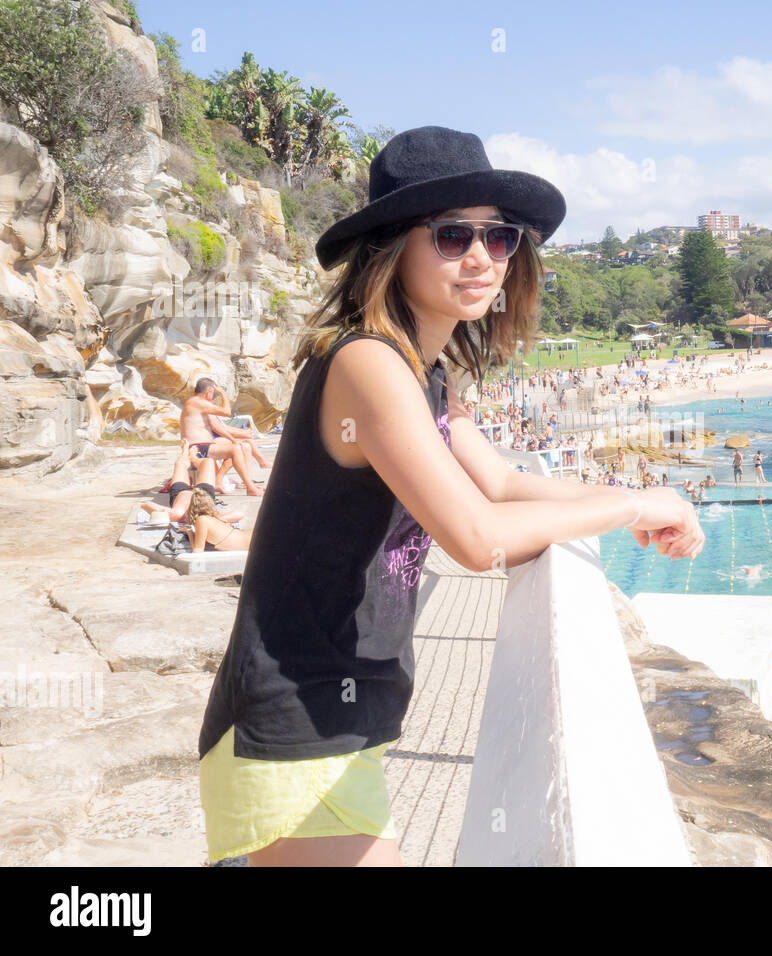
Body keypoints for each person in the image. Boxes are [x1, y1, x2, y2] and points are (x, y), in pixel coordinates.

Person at [196, 127, 704, 868]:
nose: (481, 256)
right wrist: (633, 507)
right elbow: (476, 536)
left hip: (339, 704)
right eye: (451, 234)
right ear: (392, 246)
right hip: (294, 715)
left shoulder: (425, 372)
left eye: (499, 237)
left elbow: (498, 483)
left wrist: (639, 496)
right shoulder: (368, 363)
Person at [181, 379, 265, 496]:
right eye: (215, 394)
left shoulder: (197, 403)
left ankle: (219, 482)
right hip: (197, 448)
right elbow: (226, 411)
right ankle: (250, 488)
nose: (215, 397)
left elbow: (219, 426)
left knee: (238, 447)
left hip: (205, 446)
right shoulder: (197, 402)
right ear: (209, 392)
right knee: (235, 449)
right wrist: (223, 393)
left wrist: (233, 440)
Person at [182, 487, 254, 553]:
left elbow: (197, 551)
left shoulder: (202, 520)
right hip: (249, 536)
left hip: (251, 541)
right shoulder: (215, 519)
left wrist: (190, 534)